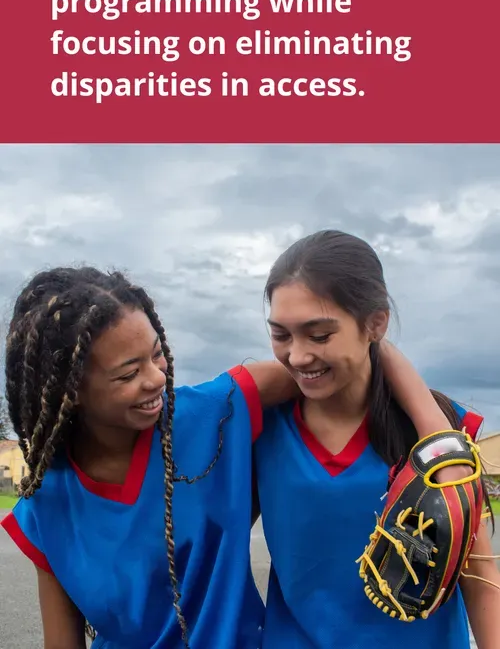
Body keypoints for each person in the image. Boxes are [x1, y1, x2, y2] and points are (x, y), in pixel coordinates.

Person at [2, 264, 466, 649]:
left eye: (157, 355)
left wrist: (439, 447)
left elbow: (357, 357)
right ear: (71, 392)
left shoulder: (214, 412)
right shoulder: (47, 500)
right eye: (128, 373)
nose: (156, 378)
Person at [254, 230, 500, 649]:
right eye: (281, 335)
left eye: (319, 335)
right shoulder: (261, 429)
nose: (297, 356)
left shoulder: (438, 431)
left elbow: (479, 575)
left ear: (376, 323)